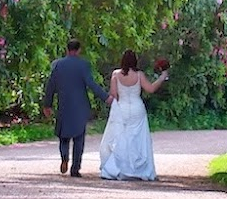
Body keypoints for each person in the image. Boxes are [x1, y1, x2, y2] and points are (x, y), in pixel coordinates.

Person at [43, 38, 113, 178]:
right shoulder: (83, 65)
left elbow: (50, 85)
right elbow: (91, 84)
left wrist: (47, 104)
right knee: (79, 138)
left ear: (67, 49)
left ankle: (64, 158)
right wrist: (106, 97)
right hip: (80, 106)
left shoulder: (58, 65)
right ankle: (75, 168)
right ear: (79, 50)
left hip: (64, 105)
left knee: (63, 136)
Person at [98, 49, 168, 181]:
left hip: (123, 108)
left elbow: (113, 94)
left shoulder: (116, 74)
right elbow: (151, 89)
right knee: (138, 139)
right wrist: (162, 77)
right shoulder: (139, 75)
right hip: (137, 108)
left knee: (122, 139)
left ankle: (120, 168)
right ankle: (139, 169)